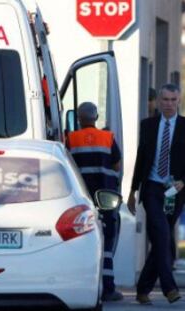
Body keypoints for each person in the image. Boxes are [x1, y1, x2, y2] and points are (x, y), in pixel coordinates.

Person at [127, 83, 185, 305]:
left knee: (163, 238)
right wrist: (133, 190)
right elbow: (141, 158)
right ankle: (169, 288)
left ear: (178, 100)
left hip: (175, 192)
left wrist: (183, 181)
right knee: (161, 235)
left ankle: (143, 289)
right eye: (165, 100)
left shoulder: (184, 126)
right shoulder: (148, 125)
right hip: (152, 187)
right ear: (158, 102)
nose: (169, 104)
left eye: (173, 100)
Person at [66, 102, 123, 302]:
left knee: (81, 240)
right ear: (96, 117)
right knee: (106, 242)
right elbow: (117, 165)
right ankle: (108, 288)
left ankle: (81, 287)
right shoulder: (108, 138)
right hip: (105, 198)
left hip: (81, 199)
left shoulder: (71, 139)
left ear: (79, 119)